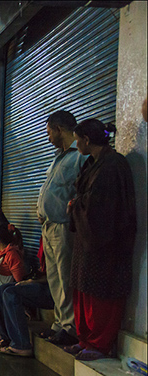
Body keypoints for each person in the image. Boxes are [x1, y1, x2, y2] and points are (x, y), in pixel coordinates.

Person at [66, 119, 136, 361]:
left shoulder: (113, 165)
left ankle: (99, 343)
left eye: (77, 139)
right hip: (88, 240)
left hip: (105, 242)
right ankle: (85, 339)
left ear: (86, 140)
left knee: (100, 293)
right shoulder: (93, 164)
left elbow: (103, 206)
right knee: (83, 289)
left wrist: (76, 205)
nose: (76, 144)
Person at [35, 110, 86, 346]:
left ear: (59, 129)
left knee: (65, 279)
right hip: (49, 226)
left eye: (48, 133)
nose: (48, 138)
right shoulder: (59, 157)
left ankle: (71, 327)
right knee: (54, 278)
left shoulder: (80, 157)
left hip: (65, 228)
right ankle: (60, 324)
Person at [0, 238, 55, 357]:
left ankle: (21, 344)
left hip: (51, 290)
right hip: (42, 283)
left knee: (10, 293)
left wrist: (33, 281)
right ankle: (6, 338)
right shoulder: (45, 239)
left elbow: (57, 277)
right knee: (2, 289)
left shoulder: (60, 240)